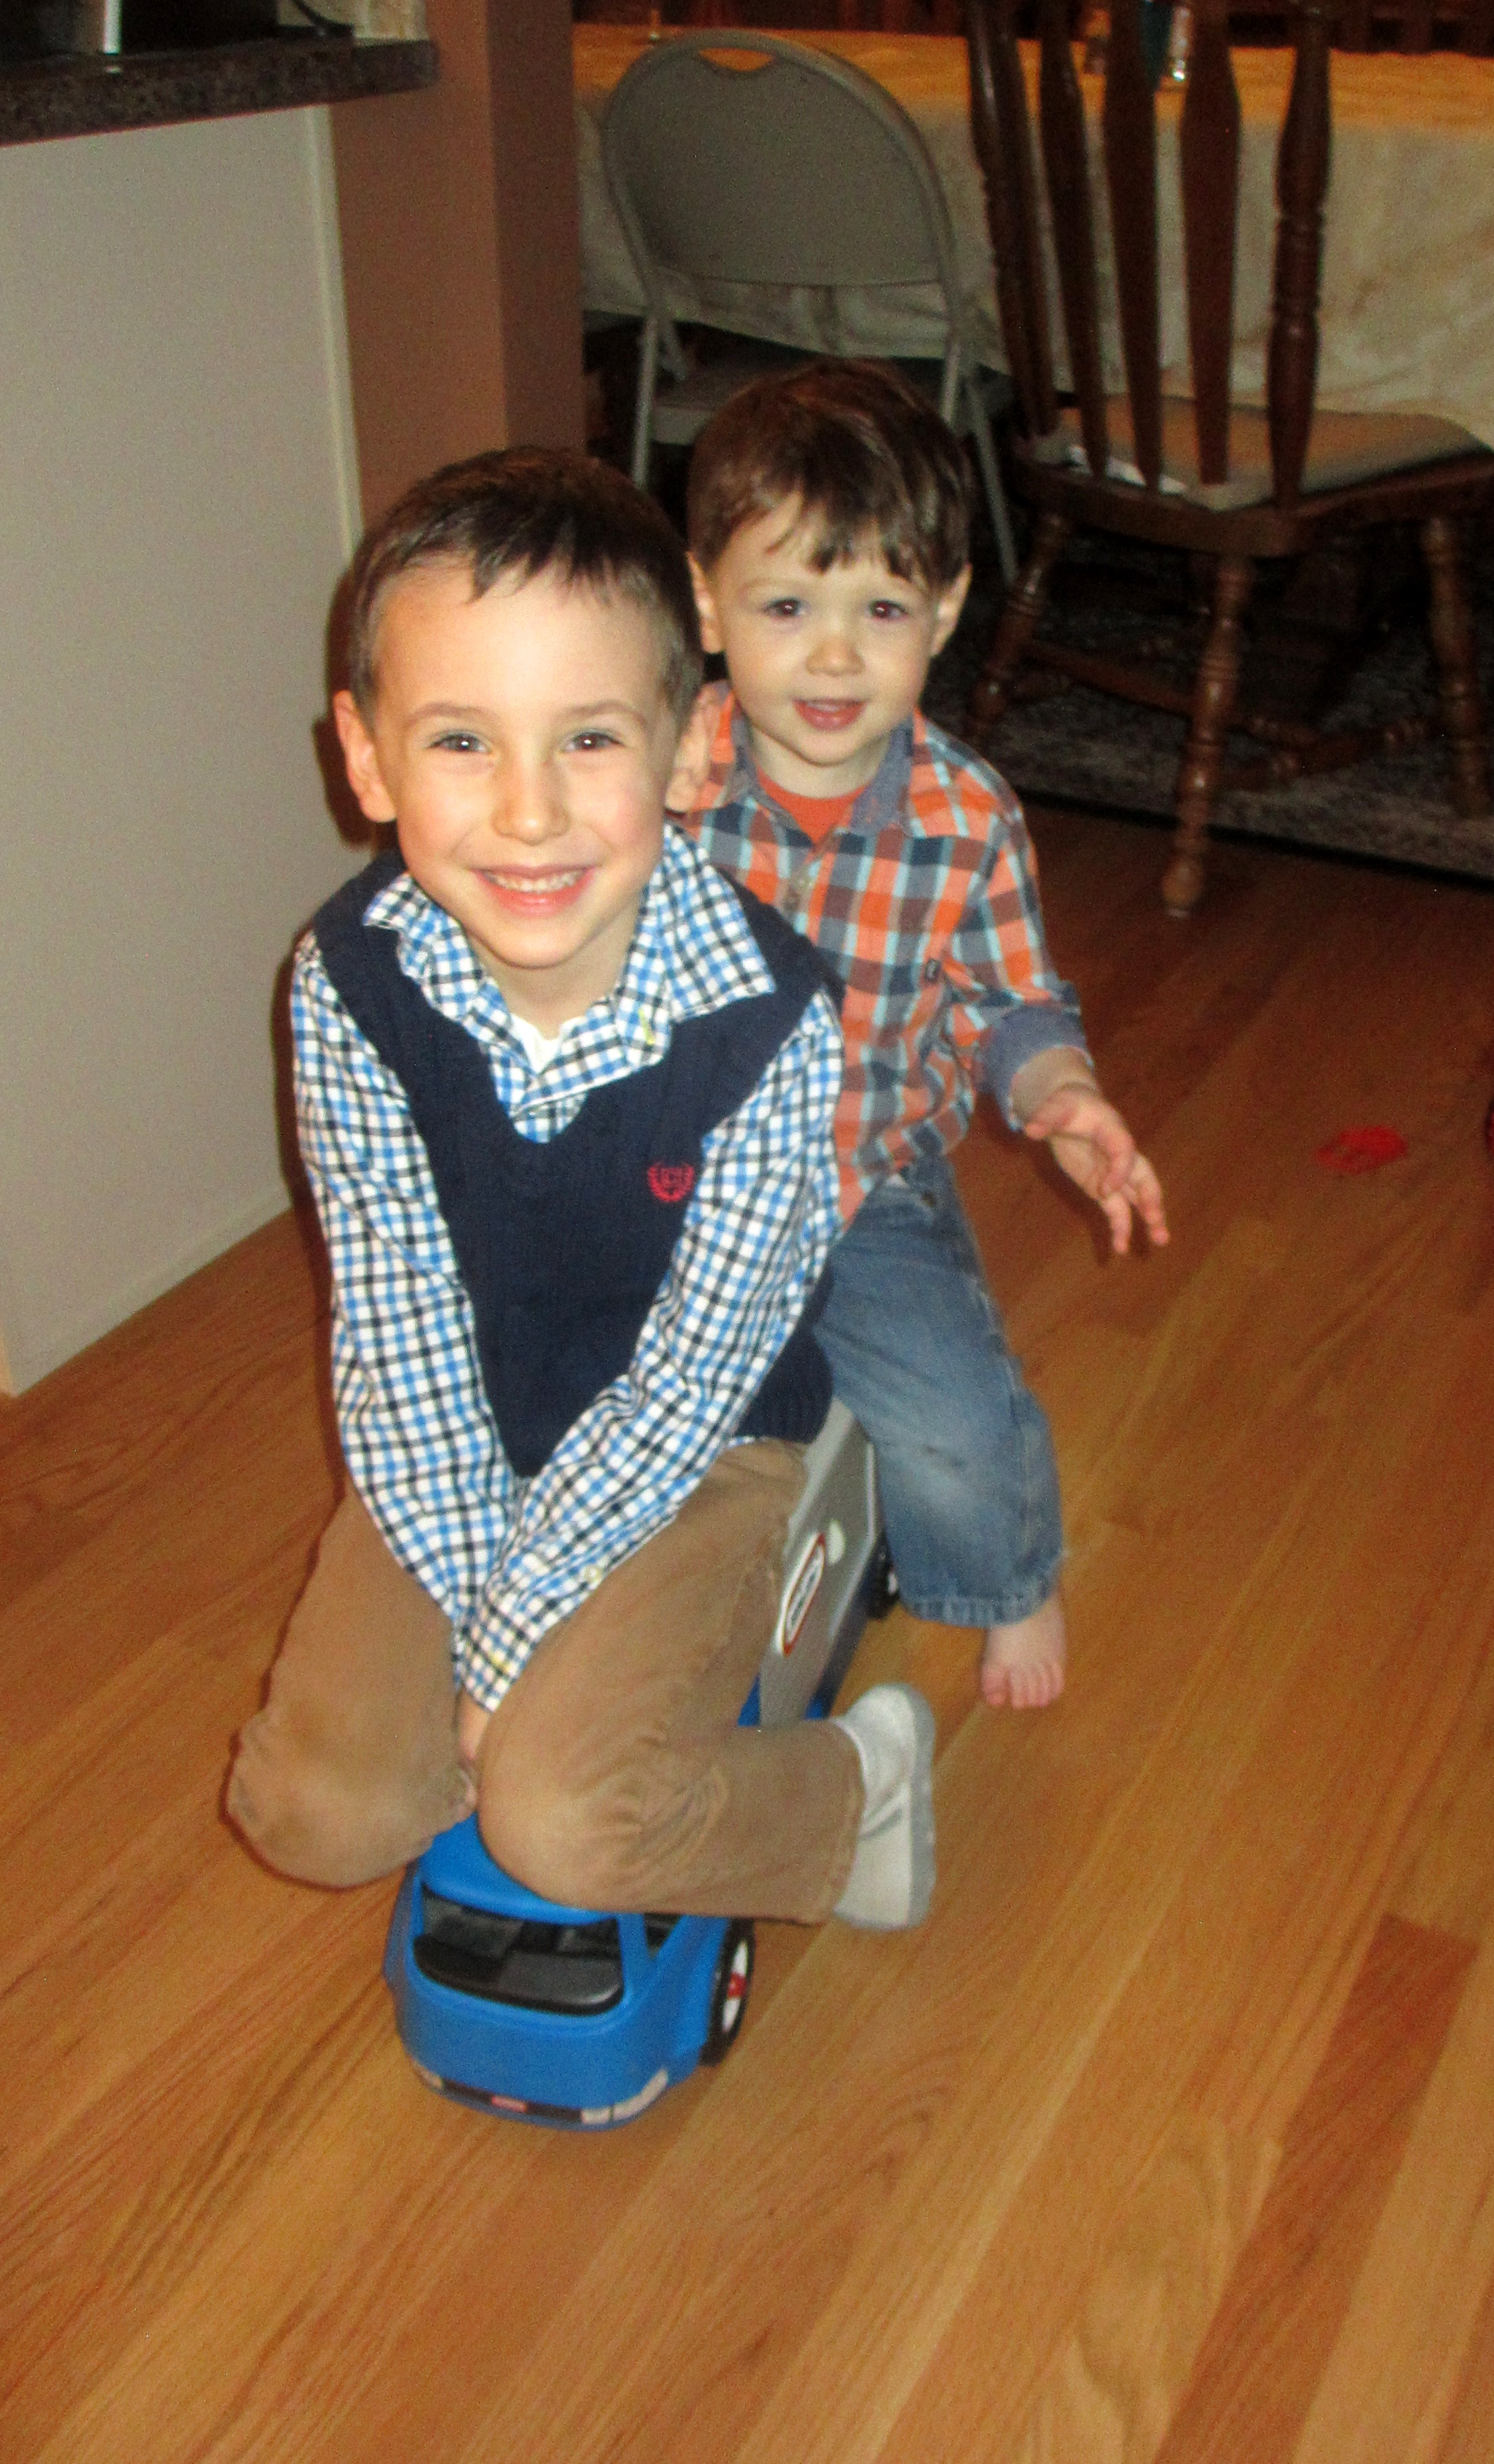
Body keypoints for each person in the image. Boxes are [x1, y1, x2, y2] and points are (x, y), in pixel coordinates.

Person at [226, 447, 939, 1933]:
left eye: (590, 739)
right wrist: (496, 1622)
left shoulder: (766, 1022)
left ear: (687, 751)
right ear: (365, 758)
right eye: (461, 741)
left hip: (702, 1441)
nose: (530, 812)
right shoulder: (344, 985)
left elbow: (688, 1383)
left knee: (560, 1819)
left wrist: (503, 1663)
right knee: (313, 1810)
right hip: (467, 1420)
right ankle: (553, 1746)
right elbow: (401, 1334)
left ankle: (851, 1794)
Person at [680, 361, 1168, 1712]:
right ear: (704, 604)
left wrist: (1059, 1093)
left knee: (956, 1429)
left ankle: (1006, 1575)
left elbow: (1012, 1001)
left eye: (881, 610)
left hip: (862, 1183)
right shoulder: (656, 773)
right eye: (786, 605)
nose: (833, 656)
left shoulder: (968, 816)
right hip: (665, 1186)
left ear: (944, 612)